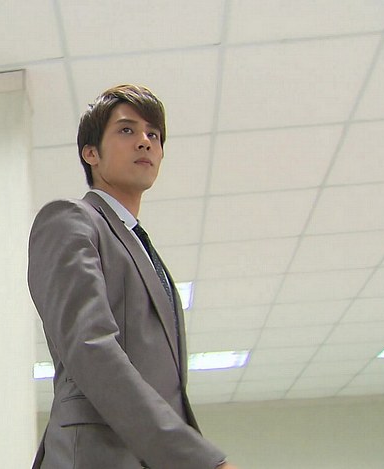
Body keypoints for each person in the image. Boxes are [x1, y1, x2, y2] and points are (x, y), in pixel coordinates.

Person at [28, 84, 237, 469]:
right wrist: (196, 460)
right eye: (127, 130)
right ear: (91, 153)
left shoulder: (142, 248)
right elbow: (90, 348)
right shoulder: (71, 220)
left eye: (153, 135)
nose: (145, 141)